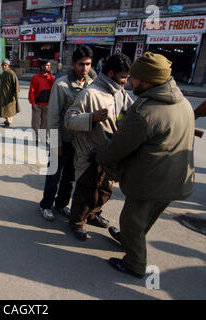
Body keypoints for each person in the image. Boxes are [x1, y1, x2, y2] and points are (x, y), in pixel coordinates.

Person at [96, 52, 195, 278]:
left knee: (131, 221)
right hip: (177, 178)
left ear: (148, 81)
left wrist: (101, 157)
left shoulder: (145, 112)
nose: (130, 82)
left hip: (150, 180)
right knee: (147, 217)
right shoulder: (183, 102)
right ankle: (131, 241)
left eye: (135, 78)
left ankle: (134, 263)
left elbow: (118, 148)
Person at [64, 54, 133, 241]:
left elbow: (132, 114)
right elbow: (69, 120)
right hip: (89, 153)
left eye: (127, 77)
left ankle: (93, 214)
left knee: (105, 190)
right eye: (123, 77)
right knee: (86, 190)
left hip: (110, 153)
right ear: (110, 73)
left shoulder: (120, 93)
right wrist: (91, 118)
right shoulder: (90, 93)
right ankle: (77, 222)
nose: (126, 81)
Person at [39, 46, 94, 221]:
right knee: (54, 175)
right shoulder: (61, 85)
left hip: (79, 142)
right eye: (81, 64)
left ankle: (61, 204)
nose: (84, 68)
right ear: (73, 64)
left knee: (70, 178)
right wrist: (56, 143)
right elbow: (53, 116)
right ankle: (46, 205)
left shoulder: (91, 84)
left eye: (88, 64)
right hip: (61, 139)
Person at [28, 60, 56, 143]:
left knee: (45, 124)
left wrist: (52, 77)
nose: (49, 67)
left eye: (49, 66)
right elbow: (32, 91)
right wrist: (32, 102)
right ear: (42, 66)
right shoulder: (35, 78)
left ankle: (44, 138)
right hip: (37, 104)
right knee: (35, 123)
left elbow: (55, 87)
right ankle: (36, 138)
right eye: (47, 65)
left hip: (47, 105)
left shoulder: (51, 78)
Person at [0, 59, 20, 128]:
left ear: (8, 66)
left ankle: (8, 122)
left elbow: (16, 85)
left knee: (9, 109)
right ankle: (6, 119)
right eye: (3, 65)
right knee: (4, 108)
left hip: (10, 95)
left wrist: (15, 95)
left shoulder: (11, 74)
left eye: (5, 65)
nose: (4, 67)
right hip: (4, 95)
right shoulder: (4, 73)